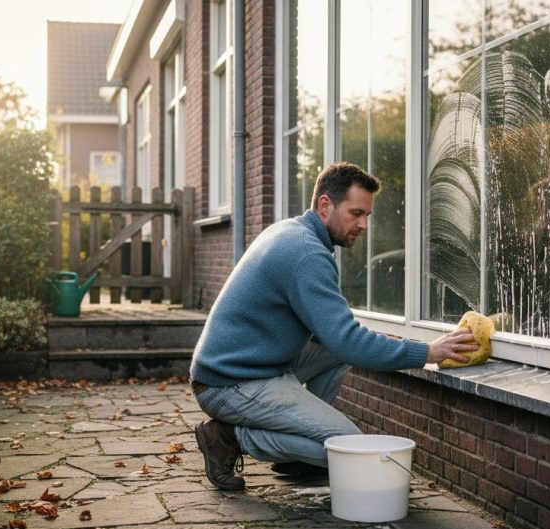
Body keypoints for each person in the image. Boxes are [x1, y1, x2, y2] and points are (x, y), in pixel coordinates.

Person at [189, 162, 479, 491]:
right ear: (325, 205)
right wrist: (427, 352)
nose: (364, 225)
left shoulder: (294, 231)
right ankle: (229, 437)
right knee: (349, 449)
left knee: (334, 351)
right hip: (228, 383)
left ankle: (298, 454)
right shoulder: (306, 253)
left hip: (253, 367)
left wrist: (383, 342)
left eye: (367, 215)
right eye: (356, 213)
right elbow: (347, 341)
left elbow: (334, 337)